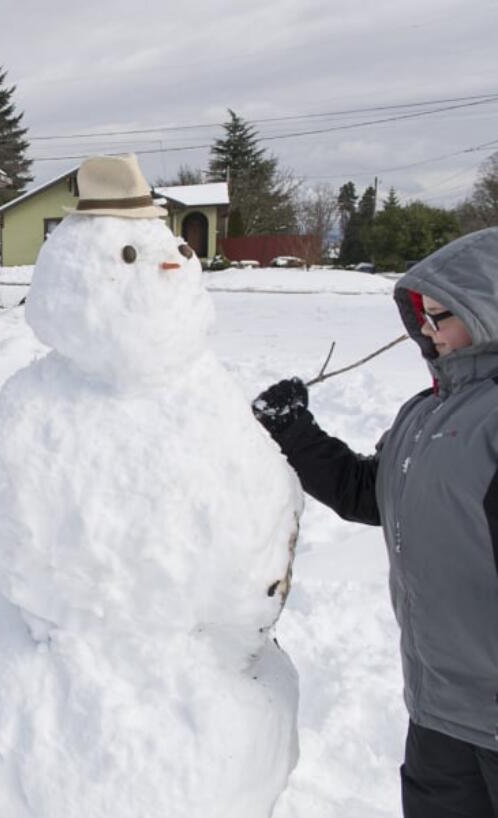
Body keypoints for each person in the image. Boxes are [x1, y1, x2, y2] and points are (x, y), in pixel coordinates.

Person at [251, 227, 498, 818]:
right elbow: (373, 493)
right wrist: (293, 433)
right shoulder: (424, 413)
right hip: (439, 710)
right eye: (424, 320)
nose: (430, 334)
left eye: (443, 317)